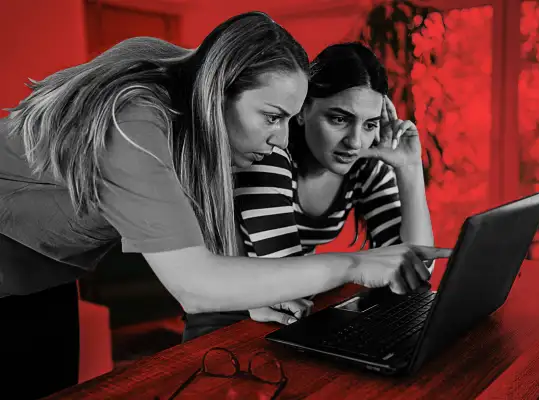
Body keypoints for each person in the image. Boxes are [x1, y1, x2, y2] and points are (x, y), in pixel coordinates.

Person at [0, 12, 448, 398]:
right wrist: (354, 264)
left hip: (46, 273)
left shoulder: (186, 105)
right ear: (218, 93)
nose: (280, 140)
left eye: (289, 120)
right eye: (272, 117)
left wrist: (250, 295)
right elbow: (195, 287)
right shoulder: (135, 119)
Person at [182, 42, 439, 341]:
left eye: (369, 124)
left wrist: (409, 169)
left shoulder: (363, 166)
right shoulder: (270, 157)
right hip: (227, 323)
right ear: (303, 111)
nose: (355, 141)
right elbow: (286, 276)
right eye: (339, 119)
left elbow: (416, 269)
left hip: (293, 312)